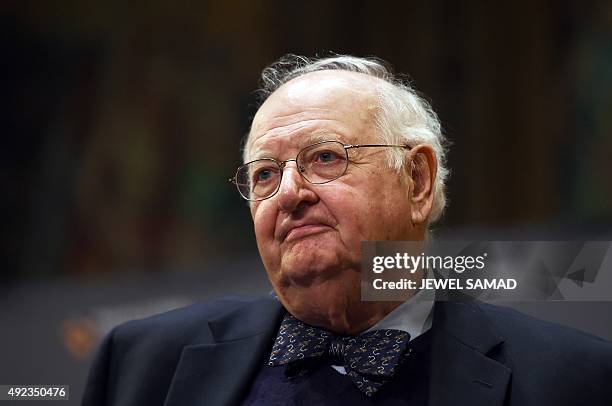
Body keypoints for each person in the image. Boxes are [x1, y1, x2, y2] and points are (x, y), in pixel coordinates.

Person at [82, 55, 612, 406]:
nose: (288, 193)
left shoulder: (574, 380)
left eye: (325, 158)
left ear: (418, 180)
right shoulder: (141, 365)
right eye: (265, 173)